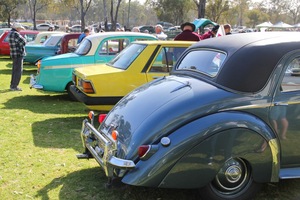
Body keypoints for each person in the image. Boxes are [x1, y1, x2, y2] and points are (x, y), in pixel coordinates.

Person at [8, 23, 26, 91]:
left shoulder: (10, 33)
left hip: (13, 54)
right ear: (17, 28)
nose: (20, 30)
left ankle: (12, 85)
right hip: (18, 54)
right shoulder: (16, 34)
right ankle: (15, 86)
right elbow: (23, 42)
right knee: (18, 71)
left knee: (14, 70)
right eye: (20, 29)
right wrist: (25, 38)